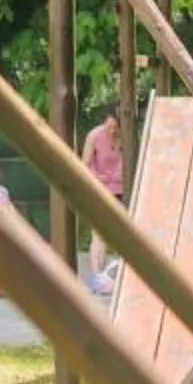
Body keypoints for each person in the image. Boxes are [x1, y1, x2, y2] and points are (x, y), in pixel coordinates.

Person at [80, 98, 128, 296]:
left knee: (122, 234)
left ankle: (118, 276)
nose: (112, 131)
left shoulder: (127, 137)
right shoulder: (95, 136)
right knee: (99, 235)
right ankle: (97, 275)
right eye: (110, 126)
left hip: (122, 190)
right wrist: (95, 180)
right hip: (101, 189)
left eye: (116, 127)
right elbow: (84, 164)